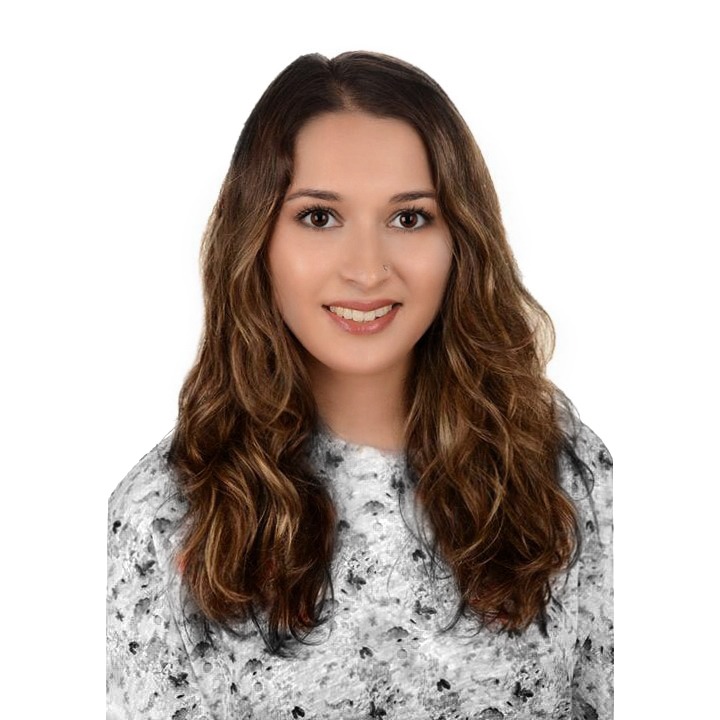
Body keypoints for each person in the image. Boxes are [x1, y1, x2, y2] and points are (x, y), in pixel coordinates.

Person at [107, 51, 613, 719]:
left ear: (461, 240)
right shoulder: (164, 515)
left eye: (409, 218)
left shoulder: (565, 472)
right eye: (320, 217)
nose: (368, 270)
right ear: (255, 239)